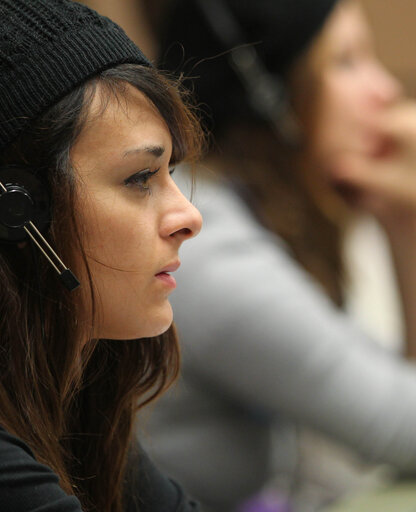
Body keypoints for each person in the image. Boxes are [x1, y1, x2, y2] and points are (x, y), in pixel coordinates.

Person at [0, 0, 204, 510]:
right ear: (14, 211)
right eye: (139, 178)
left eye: (170, 172)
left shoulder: (62, 393)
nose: (189, 218)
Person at [139, 0, 416, 511]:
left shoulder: (247, 216)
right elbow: (407, 432)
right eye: (348, 61)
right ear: (269, 97)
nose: (387, 91)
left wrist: (402, 221)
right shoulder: (208, 252)